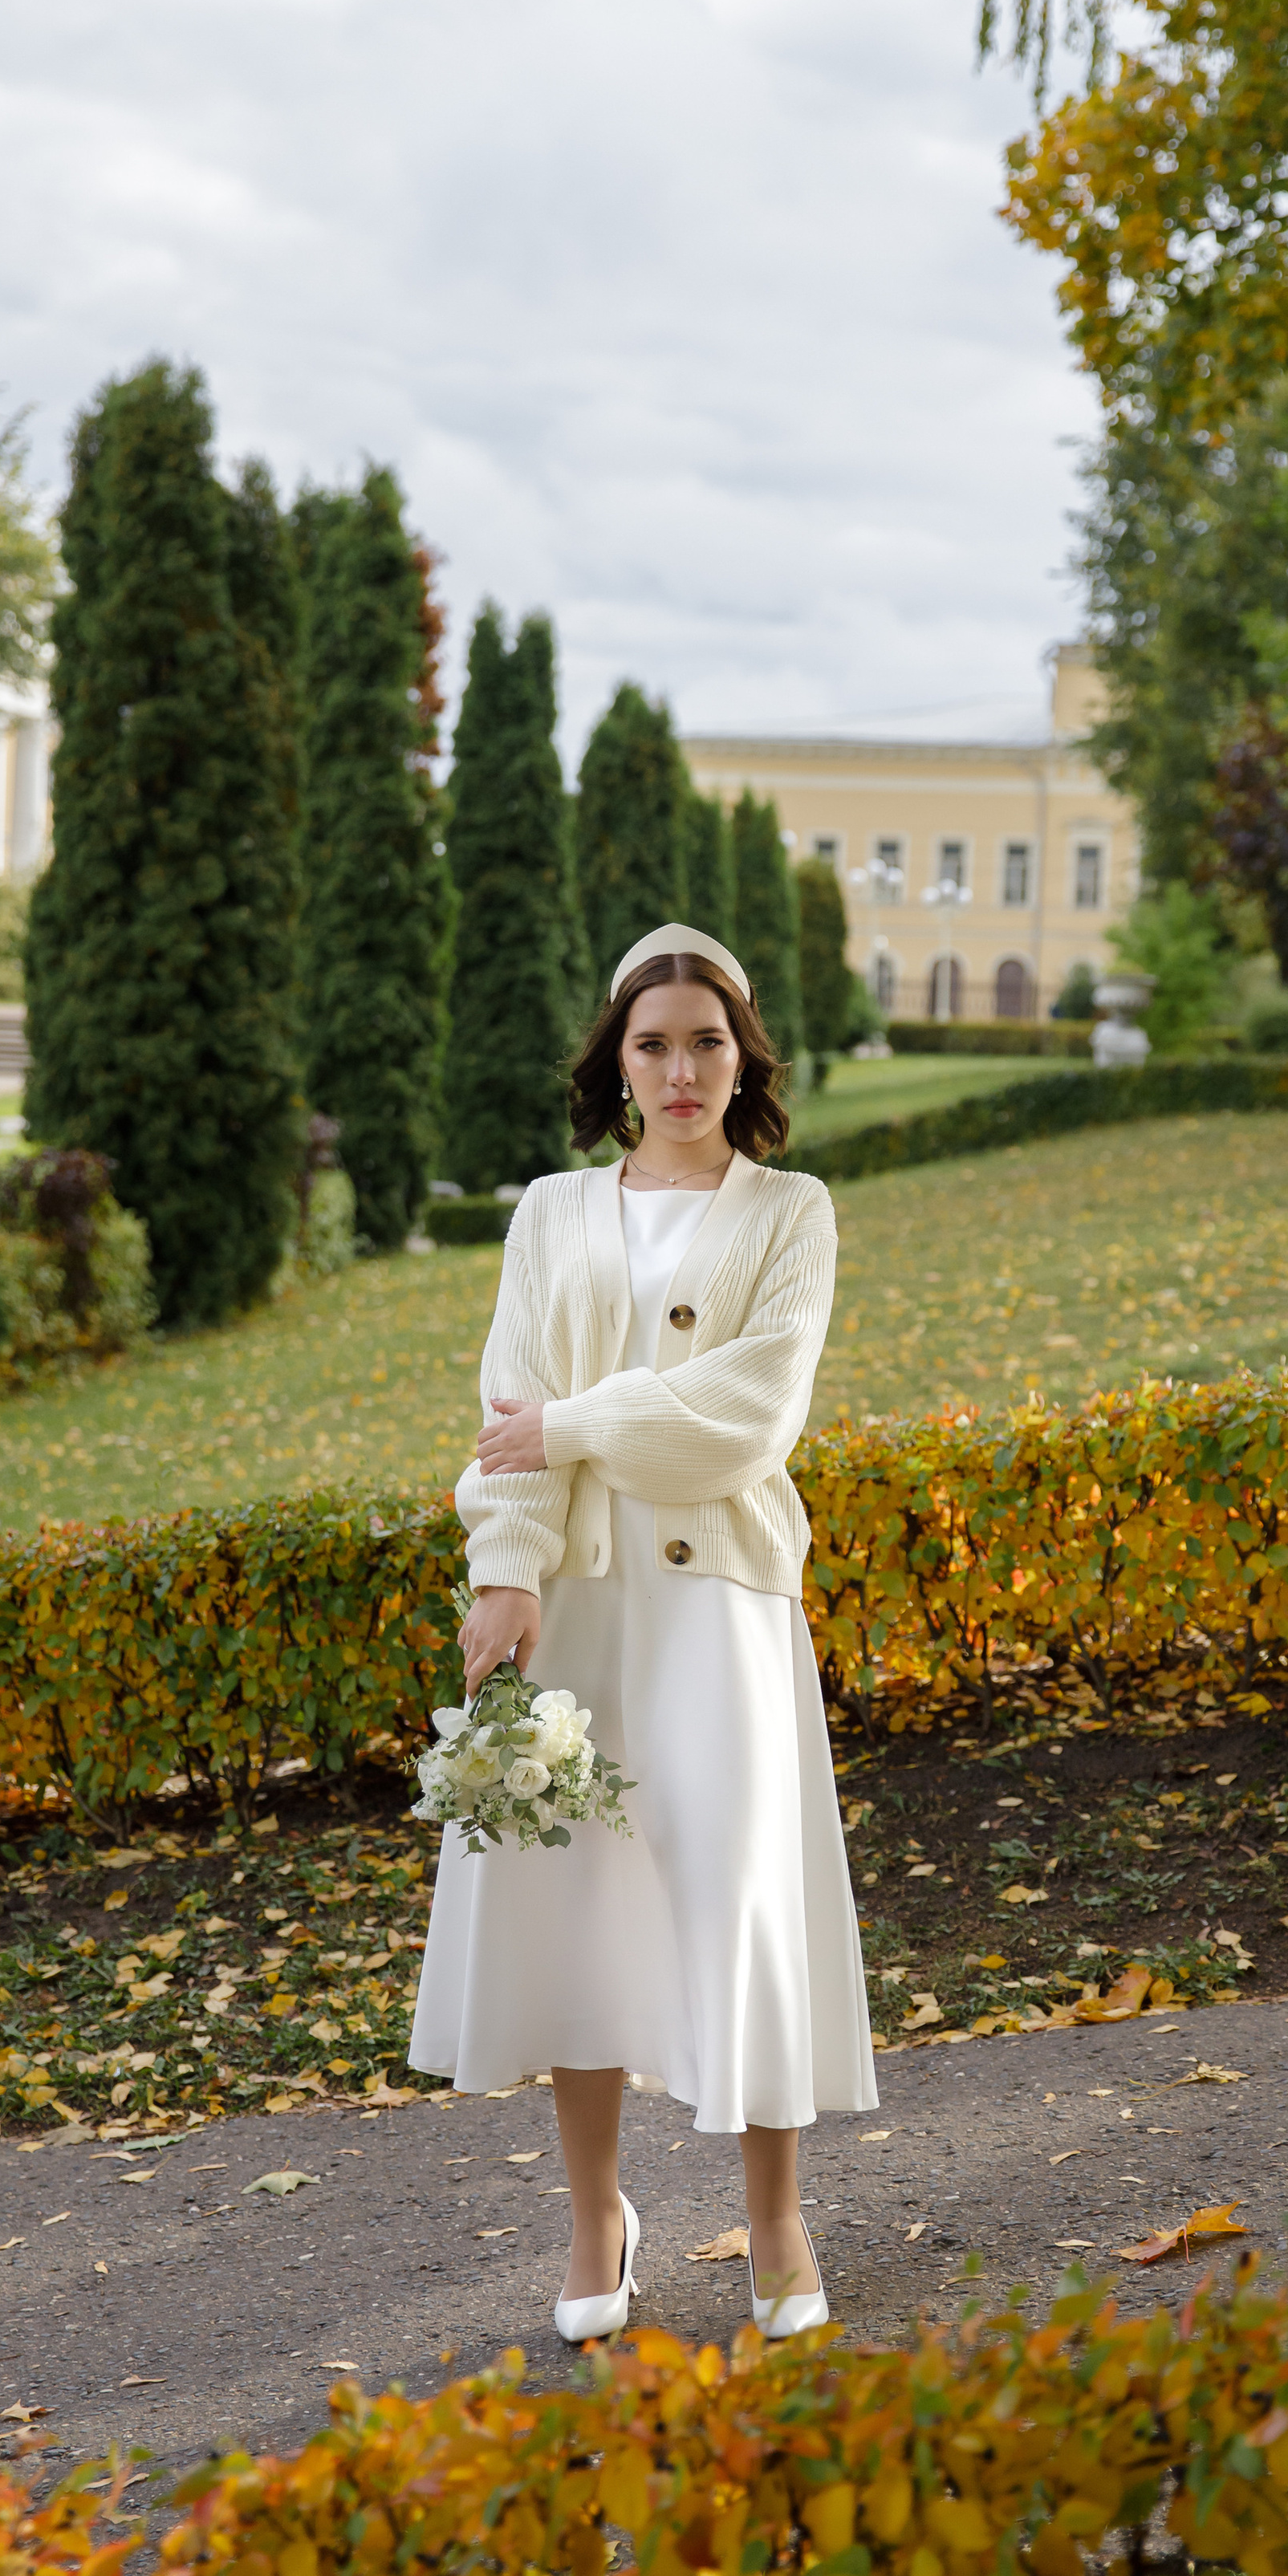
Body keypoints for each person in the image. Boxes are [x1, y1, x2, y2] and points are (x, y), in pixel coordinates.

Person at [408, 923, 877, 2343]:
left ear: (745, 1061)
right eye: (654, 1043)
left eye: (707, 1043)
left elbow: (749, 1417)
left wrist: (576, 1421)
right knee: (580, 1906)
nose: (681, 1069)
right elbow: (509, 1402)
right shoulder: (551, 1211)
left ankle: (779, 2223)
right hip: (580, 1604)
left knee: (742, 1901)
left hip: (720, 1609)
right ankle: (596, 2219)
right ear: (617, 1061)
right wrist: (507, 1565)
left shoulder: (792, 1211)